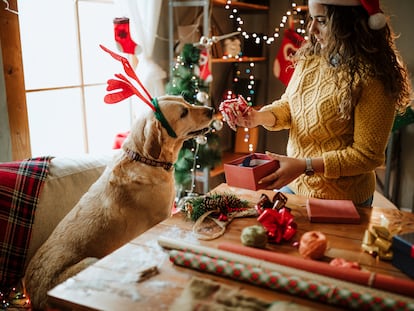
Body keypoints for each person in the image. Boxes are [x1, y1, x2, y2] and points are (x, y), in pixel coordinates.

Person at [235, 0, 412, 206]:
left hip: (343, 199)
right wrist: (258, 117)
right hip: (296, 185)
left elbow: (367, 156)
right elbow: (290, 105)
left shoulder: (373, 77)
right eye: (312, 19)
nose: (311, 29)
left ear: (349, 23)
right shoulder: (312, 57)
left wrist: (304, 166)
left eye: (322, 21)